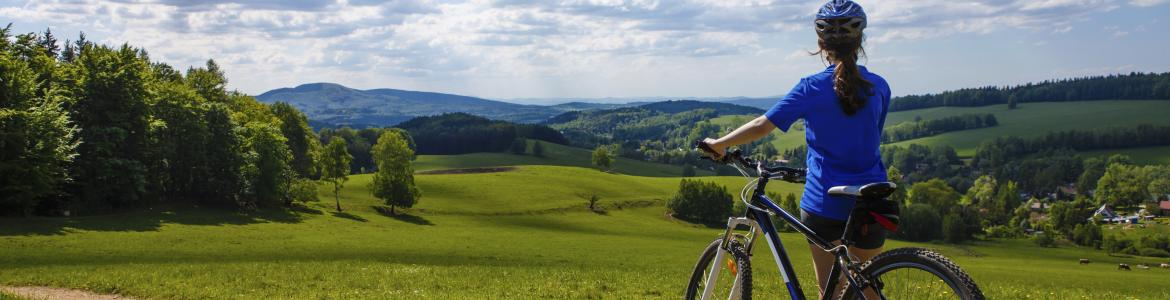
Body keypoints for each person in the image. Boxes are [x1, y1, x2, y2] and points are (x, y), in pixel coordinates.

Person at [697, 0, 890, 298]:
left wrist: (719, 144)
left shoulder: (811, 87)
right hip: (873, 198)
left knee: (830, 291)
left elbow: (763, 124)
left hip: (826, 200)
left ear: (820, 43)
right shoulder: (880, 86)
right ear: (860, 41)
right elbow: (870, 136)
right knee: (866, 289)